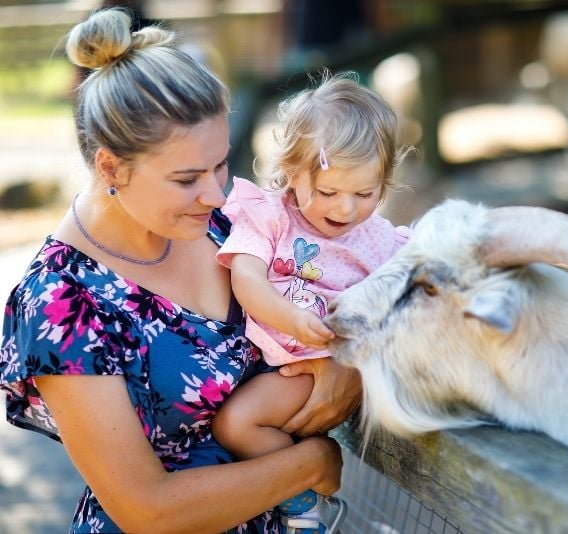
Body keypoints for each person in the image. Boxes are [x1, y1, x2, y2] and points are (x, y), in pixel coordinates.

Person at [0, 8, 361, 534]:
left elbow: (339, 280)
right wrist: (310, 464)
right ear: (110, 167)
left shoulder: (226, 223)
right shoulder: (61, 302)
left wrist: (344, 362)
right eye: (188, 177)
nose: (216, 193)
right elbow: (148, 509)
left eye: (220, 163)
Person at [211, 72, 412, 533]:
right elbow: (247, 277)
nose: (345, 210)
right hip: (282, 349)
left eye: (365, 194)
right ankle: (301, 479)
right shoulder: (271, 217)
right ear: (293, 173)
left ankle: (302, 504)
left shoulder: (383, 243)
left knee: (236, 425)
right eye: (328, 193)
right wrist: (293, 319)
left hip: (313, 366)